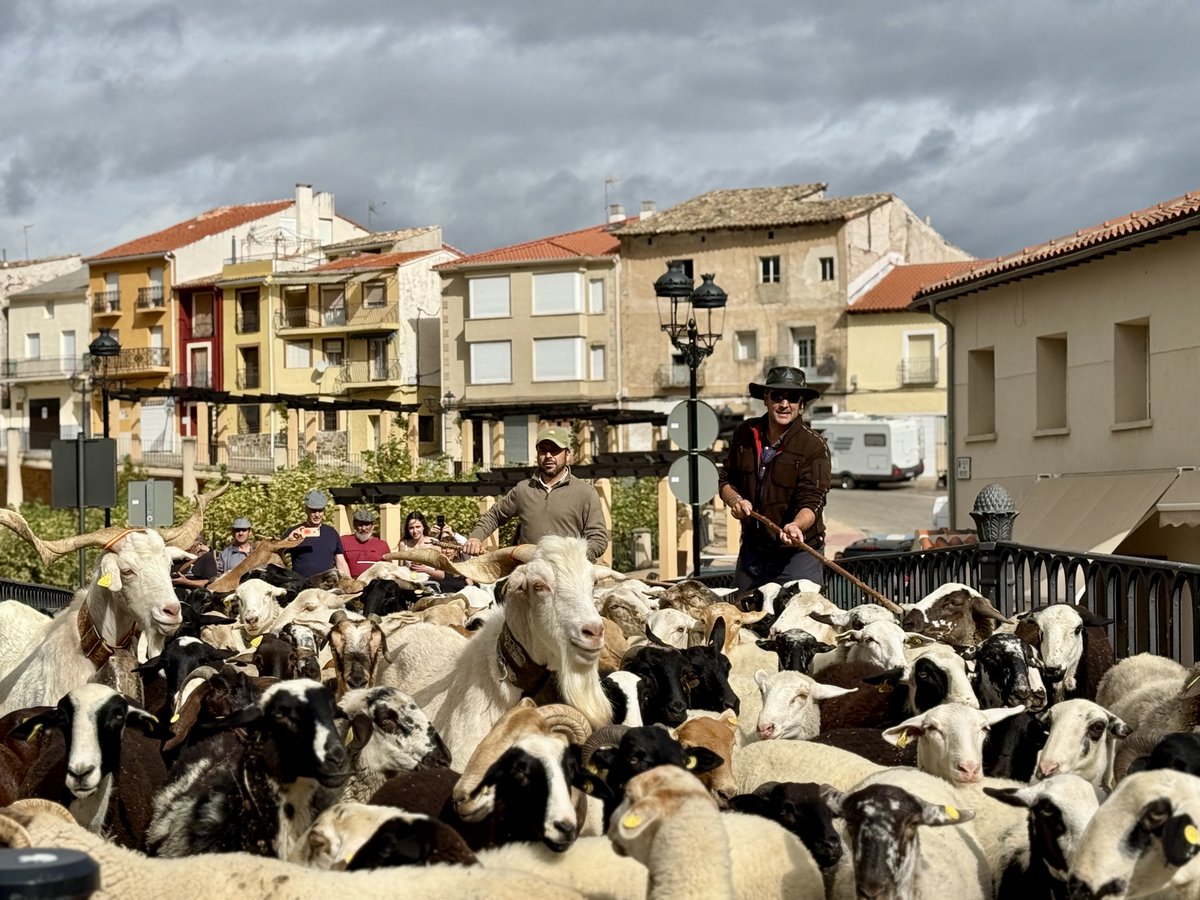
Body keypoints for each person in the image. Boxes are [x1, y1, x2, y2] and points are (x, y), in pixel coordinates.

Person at [718, 366, 831, 591]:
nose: (784, 404)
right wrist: (735, 501)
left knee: (799, 622)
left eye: (792, 398)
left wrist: (796, 526)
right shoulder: (744, 434)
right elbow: (725, 480)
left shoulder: (814, 446)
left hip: (799, 554)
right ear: (766, 399)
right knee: (743, 618)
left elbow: (813, 500)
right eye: (778, 396)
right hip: (753, 553)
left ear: (801, 405)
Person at [463, 425, 609, 561]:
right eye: (543, 450)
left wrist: (576, 558)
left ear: (568, 455)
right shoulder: (523, 489)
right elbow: (494, 516)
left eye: (555, 450)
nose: (548, 456)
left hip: (568, 576)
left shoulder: (585, 492)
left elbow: (598, 539)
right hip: (530, 574)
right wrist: (475, 538)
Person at [284, 490, 350, 580]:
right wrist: (288, 541)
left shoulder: (332, 533)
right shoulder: (295, 532)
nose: (317, 515)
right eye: (313, 511)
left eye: (320, 511)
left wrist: (349, 582)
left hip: (327, 587)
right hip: (303, 586)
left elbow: (341, 562)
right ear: (306, 510)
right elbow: (277, 553)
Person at [341, 508, 390, 579]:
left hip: (375, 584)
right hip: (350, 583)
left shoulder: (382, 545)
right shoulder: (344, 541)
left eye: (367, 525)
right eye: (360, 525)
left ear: (373, 526)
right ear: (354, 526)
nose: (364, 528)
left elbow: (389, 567)